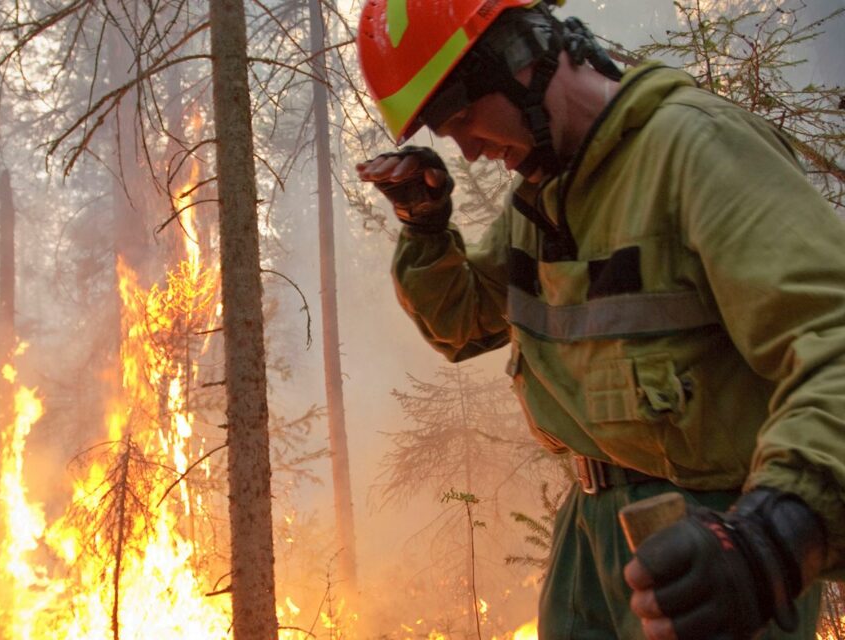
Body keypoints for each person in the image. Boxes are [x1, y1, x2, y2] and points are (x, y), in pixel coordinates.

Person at [354, 0, 845, 638]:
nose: (469, 151)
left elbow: (831, 337)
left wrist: (776, 536)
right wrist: (424, 227)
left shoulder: (694, 148)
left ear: (519, 59)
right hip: (589, 535)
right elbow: (466, 322)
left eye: (461, 118)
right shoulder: (547, 193)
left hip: (708, 542)